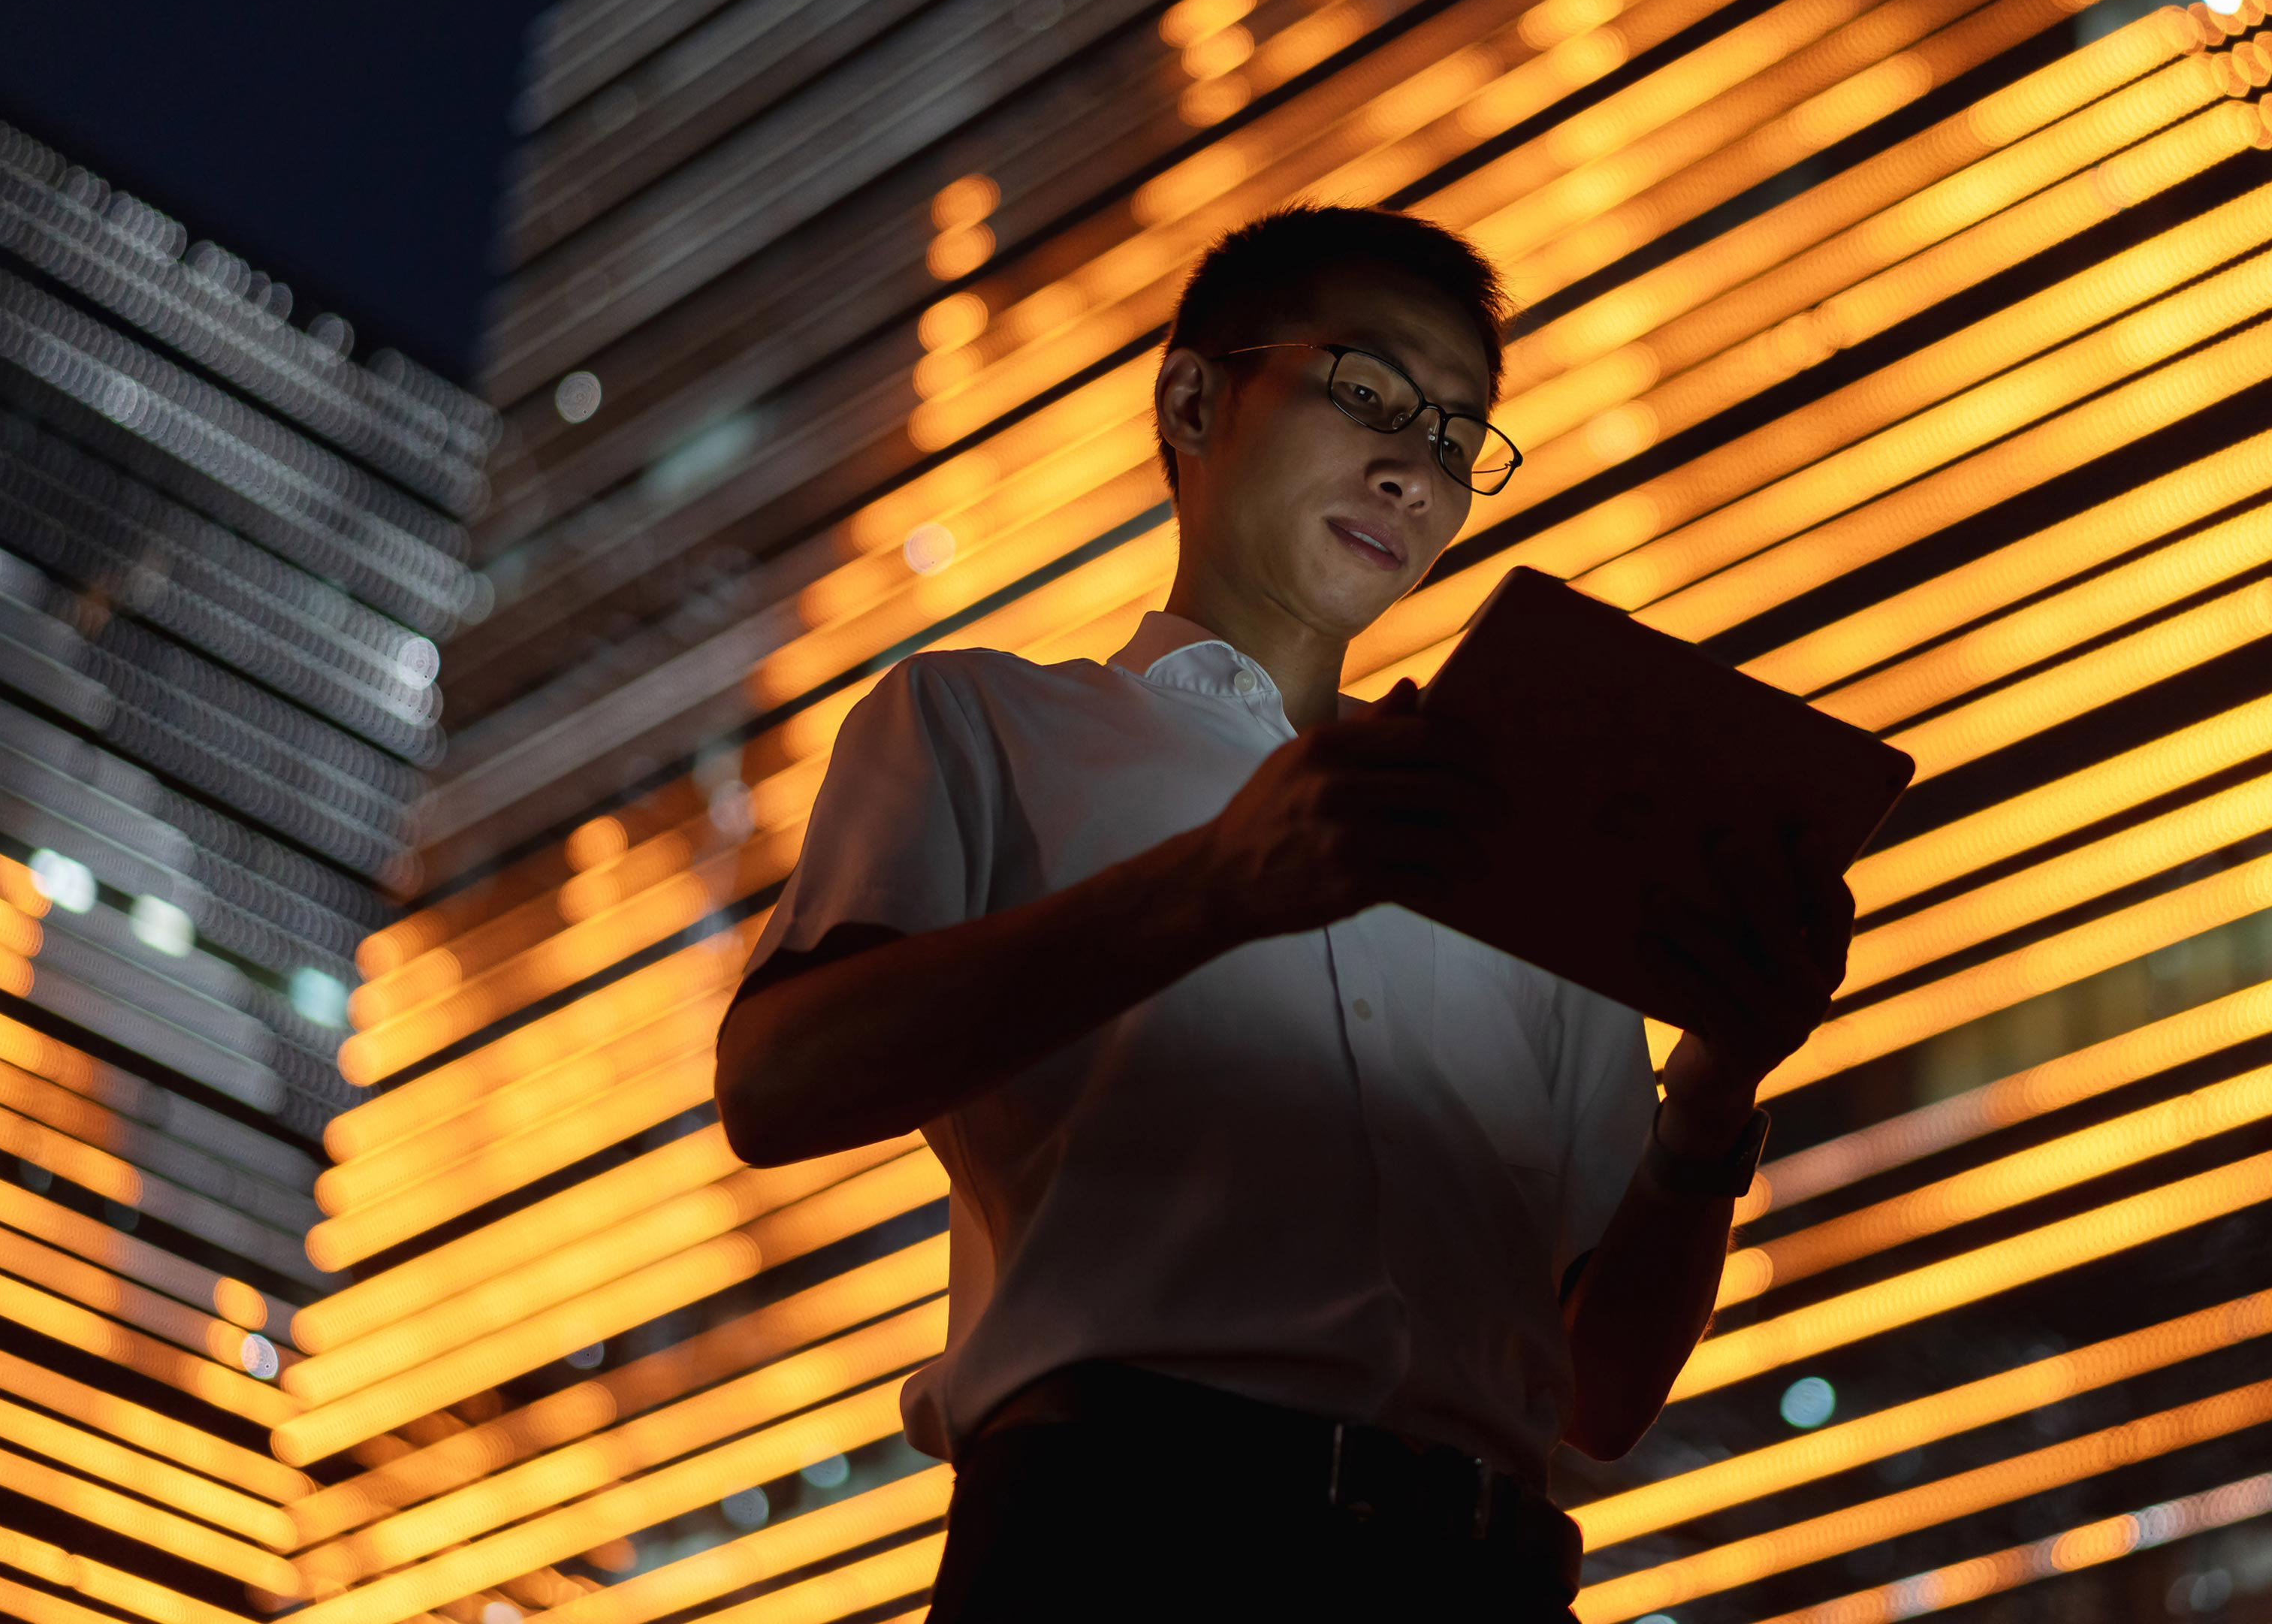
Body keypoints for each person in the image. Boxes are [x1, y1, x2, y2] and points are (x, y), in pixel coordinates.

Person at [714, 204, 1854, 1621]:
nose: (1413, 471)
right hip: (1123, 1548)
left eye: (1455, 437)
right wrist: (1213, 888)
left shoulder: (1519, 834)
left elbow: (1603, 1393)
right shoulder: (984, 723)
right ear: (1196, 398)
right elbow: (775, 1087)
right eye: (1369, 392)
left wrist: (1717, 1089)